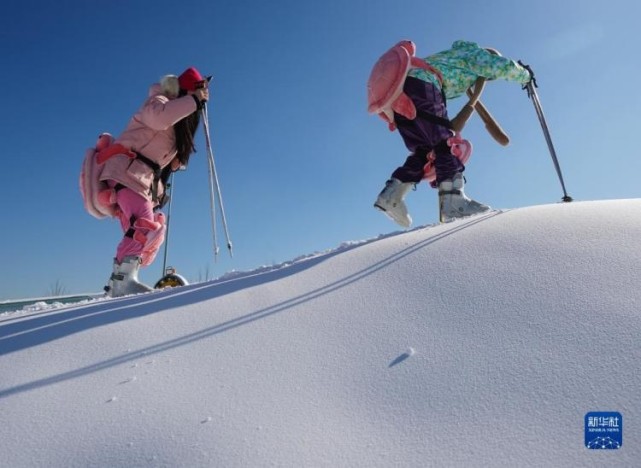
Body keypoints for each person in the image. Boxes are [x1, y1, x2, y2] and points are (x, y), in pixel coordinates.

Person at [370, 40, 532, 227]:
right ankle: (453, 201)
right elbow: (497, 66)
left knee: (424, 151)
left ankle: (392, 195)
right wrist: (525, 75)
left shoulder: (450, 58)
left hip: (400, 97)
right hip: (424, 85)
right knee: (444, 144)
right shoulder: (475, 54)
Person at [98, 67, 210, 297]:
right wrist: (194, 101)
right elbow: (160, 118)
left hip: (139, 179)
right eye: (198, 90)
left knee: (154, 227)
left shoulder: (175, 121)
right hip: (125, 172)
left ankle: (123, 279)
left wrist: (175, 161)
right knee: (144, 223)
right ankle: (122, 282)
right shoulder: (158, 101)